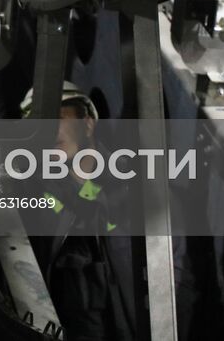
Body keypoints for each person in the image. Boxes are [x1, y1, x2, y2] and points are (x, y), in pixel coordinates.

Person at [21, 82, 137, 341]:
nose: (48, 131)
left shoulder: (137, 190)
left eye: (58, 118)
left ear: (87, 123)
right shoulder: (34, 201)